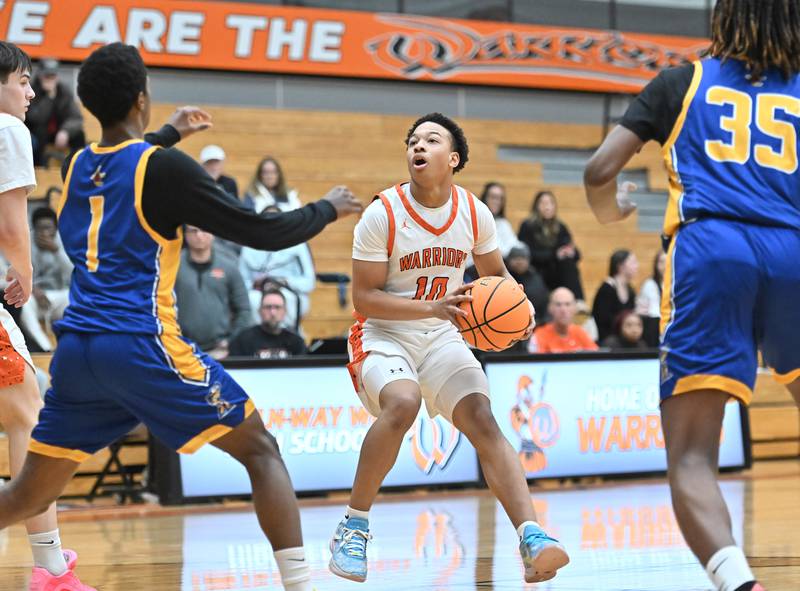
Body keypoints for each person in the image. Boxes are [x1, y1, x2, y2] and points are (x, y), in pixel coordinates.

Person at [0, 43, 362, 591]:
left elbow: (127, 161)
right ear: (141, 99)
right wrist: (326, 208)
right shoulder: (164, 169)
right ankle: (300, 585)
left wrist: (167, 133)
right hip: (140, 342)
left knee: (26, 495)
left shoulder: (77, 167)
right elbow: (262, 231)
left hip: (76, 352)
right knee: (261, 449)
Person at [583, 2, 800, 589]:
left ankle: (739, 583)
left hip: (711, 251)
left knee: (692, 456)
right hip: (794, 250)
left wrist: (611, 212)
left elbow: (599, 171)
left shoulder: (684, 81)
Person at [330, 112, 568, 585]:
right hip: (382, 333)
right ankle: (353, 527)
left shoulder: (474, 212)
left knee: (482, 418)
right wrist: (432, 307)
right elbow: (364, 298)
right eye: (413, 141)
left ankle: (531, 536)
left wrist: (520, 309)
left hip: (441, 334)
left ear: (453, 158)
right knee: (403, 403)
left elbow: (497, 277)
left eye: (431, 139)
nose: (418, 146)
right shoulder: (383, 213)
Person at [0, 41, 94, 591]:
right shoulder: (8, 129)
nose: (32, 93)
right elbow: (13, 225)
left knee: (24, 410)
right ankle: (51, 569)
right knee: (28, 416)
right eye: (22, 81)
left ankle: (51, 563)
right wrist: (26, 273)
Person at [174, 226, 251, 359]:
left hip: (220, 350)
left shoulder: (229, 266)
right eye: (193, 231)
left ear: (213, 233)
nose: (199, 235)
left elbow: (244, 309)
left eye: (204, 230)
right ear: (185, 234)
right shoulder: (173, 265)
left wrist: (230, 341)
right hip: (180, 348)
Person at [240, 205, 316, 331]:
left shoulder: (298, 244)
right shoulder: (249, 247)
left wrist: (285, 282)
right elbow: (241, 283)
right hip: (258, 292)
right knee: (252, 300)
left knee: (284, 301)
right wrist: (257, 284)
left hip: (289, 291)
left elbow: (309, 283)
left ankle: (287, 336)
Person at [18, 206, 73, 352]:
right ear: (34, 229)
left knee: (76, 299)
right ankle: (46, 348)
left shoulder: (65, 240)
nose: (43, 232)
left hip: (61, 296)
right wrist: (32, 289)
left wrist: (56, 250)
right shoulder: (27, 243)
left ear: (55, 228)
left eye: (48, 228)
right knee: (23, 303)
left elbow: (73, 274)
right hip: (36, 295)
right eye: (40, 228)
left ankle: (70, 348)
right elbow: (18, 273)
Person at [517, 190, 585, 301]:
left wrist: (571, 252)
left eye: (550, 203)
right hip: (537, 270)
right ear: (536, 206)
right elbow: (528, 254)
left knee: (568, 262)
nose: (547, 206)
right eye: (543, 203)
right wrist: (555, 255)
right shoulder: (528, 226)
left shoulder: (560, 226)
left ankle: (578, 301)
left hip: (556, 271)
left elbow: (575, 253)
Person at [25, 58, 85, 166]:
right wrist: (49, 97)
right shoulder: (32, 90)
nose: (50, 79)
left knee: (79, 135)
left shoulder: (63, 91)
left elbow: (76, 118)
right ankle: (38, 168)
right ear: (40, 76)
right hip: (38, 133)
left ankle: (76, 167)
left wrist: (66, 131)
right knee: (39, 132)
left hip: (58, 132)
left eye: (53, 76)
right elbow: (36, 119)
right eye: (46, 76)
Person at [229, 289, 307, 359]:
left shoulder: (296, 342)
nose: (273, 313)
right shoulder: (243, 340)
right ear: (259, 311)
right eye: (268, 307)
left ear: (285, 311)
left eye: (277, 307)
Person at [528, 287, 598, 354]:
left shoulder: (580, 333)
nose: (563, 310)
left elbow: (596, 357)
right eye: (558, 305)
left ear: (574, 308)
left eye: (567, 304)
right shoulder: (539, 335)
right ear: (550, 308)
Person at [592, 249, 638, 344]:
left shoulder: (630, 290)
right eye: (633, 262)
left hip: (624, 338)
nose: (637, 266)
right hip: (607, 339)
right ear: (620, 266)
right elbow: (602, 320)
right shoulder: (607, 288)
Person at [505, 244, 549, 324]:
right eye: (515, 257)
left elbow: (543, 301)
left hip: (535, 320)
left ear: (528, 261)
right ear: (508, 260)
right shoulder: (502, 278)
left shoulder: (535, 278)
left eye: (523, 258)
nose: (519, 261)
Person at [479, 182, 523, 258]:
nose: (497, 202)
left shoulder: (503, 223)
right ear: (484, 198)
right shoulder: (477, 222)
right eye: (493, 197)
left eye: (500, 199)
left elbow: (515, 244)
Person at [636, 250, 666, 347]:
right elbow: (654, 311)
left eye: (667, 261)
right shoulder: (650, 284)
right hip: (653, 325)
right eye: (661, 262)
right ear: (656, 265)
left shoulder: (677, 284)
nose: (665, 265)